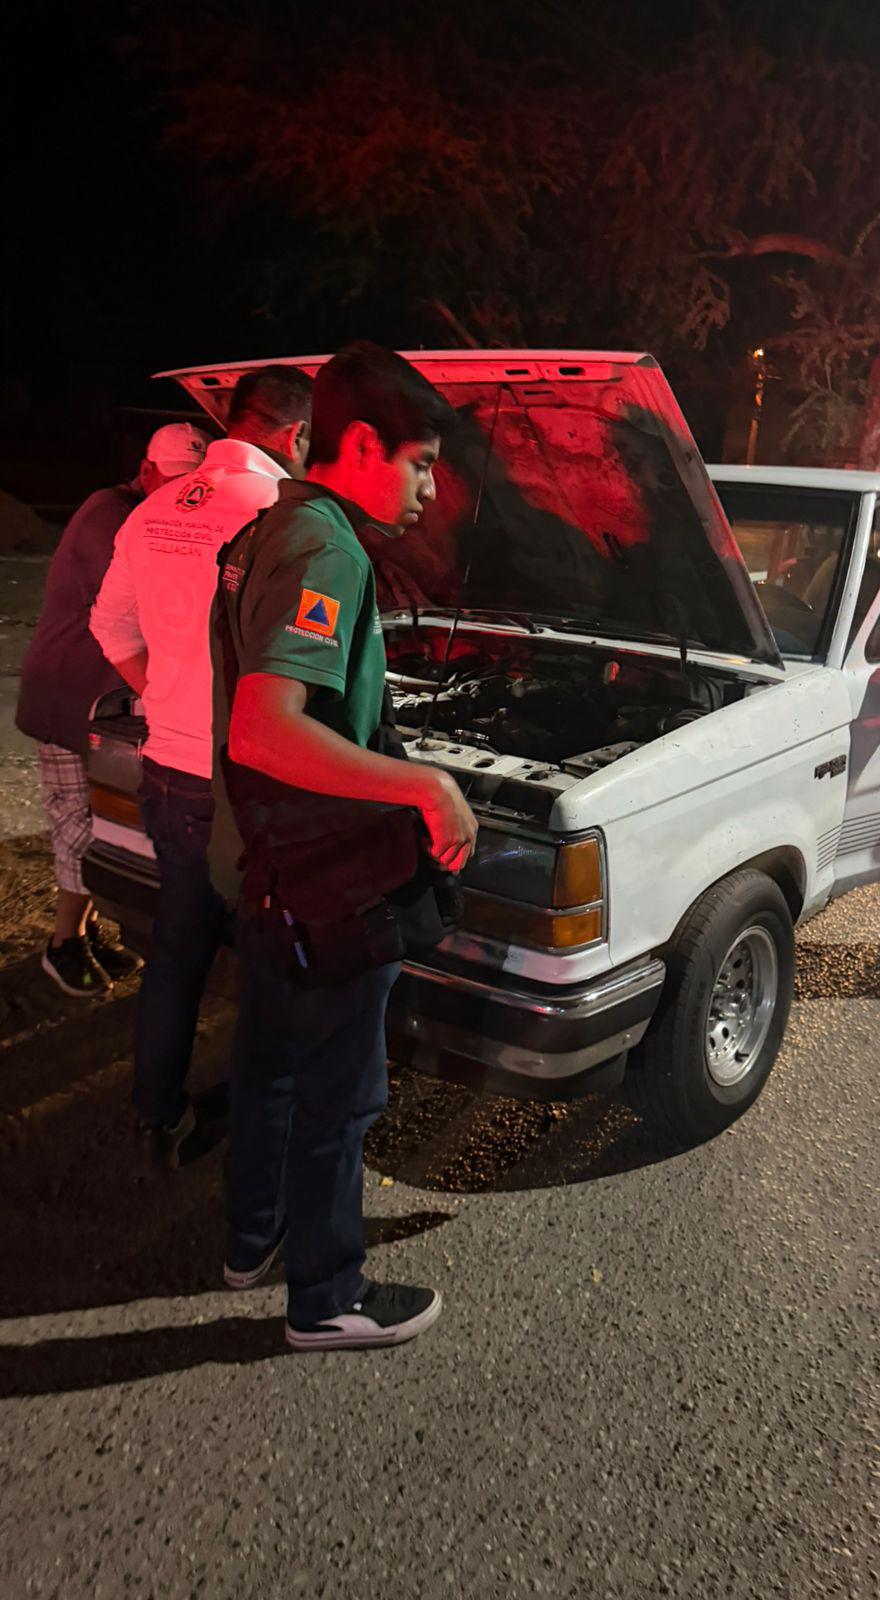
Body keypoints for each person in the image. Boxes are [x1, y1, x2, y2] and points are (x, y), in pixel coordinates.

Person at [214, 341, 477, 1352]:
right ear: (362, 444)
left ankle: (253, 1240)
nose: (429, 490)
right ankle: (327, 1297)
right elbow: (263, 728)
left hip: (272, 869)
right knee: (339, 1093)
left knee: (271, 1067)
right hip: (326, 880)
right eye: (421, 464)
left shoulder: (267, 527)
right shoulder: (329, 549)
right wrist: (427, 784)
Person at [90, 367, 313, 1165]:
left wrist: (169, 697)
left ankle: (158, 1119)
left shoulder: (152, 510)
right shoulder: (282, 513)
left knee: (177, 952)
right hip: (245, 784)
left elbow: (109, 625)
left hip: (168, 774)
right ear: (295, 436)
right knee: (270, 969)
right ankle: (264, 1143)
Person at [16, 423, 209, 998]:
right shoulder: (108, 514)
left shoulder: (152, 516)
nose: (183, 494)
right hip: (68, 696)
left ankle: (89, 928)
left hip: (107, 704)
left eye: (192, 484)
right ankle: (63, 943)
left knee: (106, 821)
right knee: (77, 821)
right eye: (174, 482)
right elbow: (150, 598)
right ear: (146, 471)